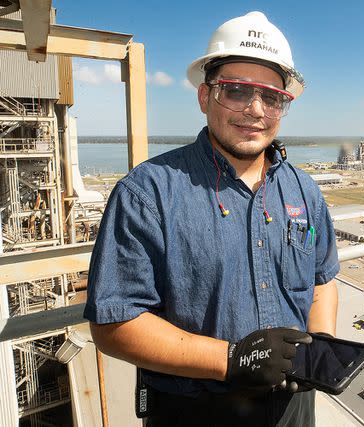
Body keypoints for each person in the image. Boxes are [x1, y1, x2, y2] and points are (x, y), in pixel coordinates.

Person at [84, 11, 339, 427]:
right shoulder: (148, 193)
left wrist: (320, 348)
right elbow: (115, 323)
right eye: (237, 91)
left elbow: (322, 278)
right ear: (205, 96)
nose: (255, 110)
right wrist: (233, 359)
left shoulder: (303, 190)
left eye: (271, 97)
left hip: (292, 408)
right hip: (193, 411)